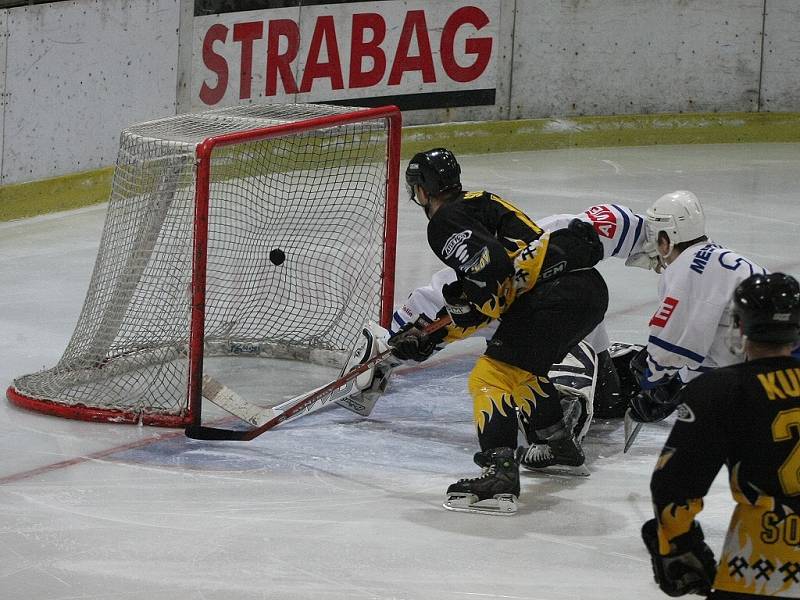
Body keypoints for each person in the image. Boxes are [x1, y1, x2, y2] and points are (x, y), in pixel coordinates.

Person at [387, 147, 609, 514]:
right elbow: (497, 294)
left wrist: (450, 317)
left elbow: (492, 277)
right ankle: (558, 446)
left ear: (424, 190)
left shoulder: (444, 222)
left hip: (555, 295)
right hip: (584, 291)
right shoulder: (478, 203)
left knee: (490, 377)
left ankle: (499, 473)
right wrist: (433, 336)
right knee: (520, 368)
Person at [384, 202, 659, 420]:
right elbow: (393, 344)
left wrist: (680, 262)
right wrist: (389, 357)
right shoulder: (449, 289)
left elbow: (640, 231)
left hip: (571, 322)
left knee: (606, 401)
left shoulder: (556, 234)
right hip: (521, 343)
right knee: (563, 409)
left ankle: (647, 366)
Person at [642, 272, 800, 598]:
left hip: (759, 565)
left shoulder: (720, 388)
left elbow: (675, 483)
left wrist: (677, 544)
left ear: (740, 325)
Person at [628, 190, 768, 425]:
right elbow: (707, 346)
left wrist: (653, 378)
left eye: (654, 236)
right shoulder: (713, 256)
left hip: (771, 366)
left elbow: (670, 346)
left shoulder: (685, 269)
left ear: (667, 238)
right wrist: (679, 388)